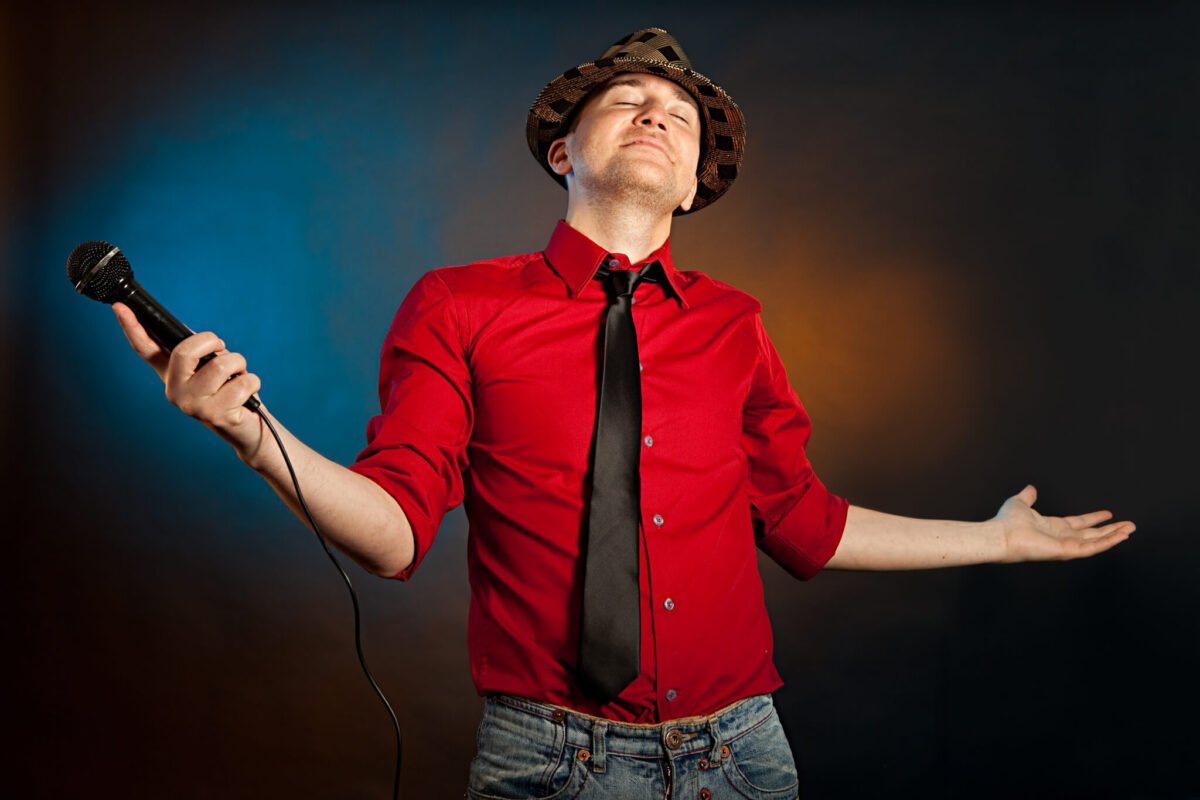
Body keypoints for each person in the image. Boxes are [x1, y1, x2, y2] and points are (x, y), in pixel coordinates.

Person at [111, 27, 1135, 800]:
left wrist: (999, 539)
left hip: (742, 752)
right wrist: (248, 429)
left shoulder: (737, 326)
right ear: (564, 152)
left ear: (691, 185)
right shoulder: (457, 304)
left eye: (678, 118)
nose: (655, 114)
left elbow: (807, 524)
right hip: (545, 758)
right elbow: (392, 535)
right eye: (626, 101)